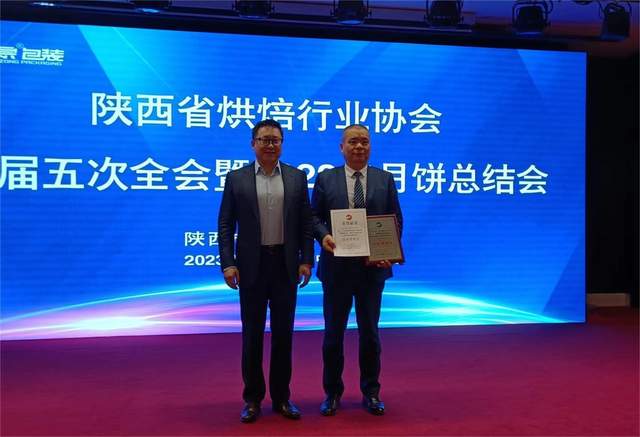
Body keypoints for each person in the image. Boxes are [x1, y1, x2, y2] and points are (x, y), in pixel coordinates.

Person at [218, 119, 314, 423]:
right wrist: (228, 262)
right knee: (253, 335)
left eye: (275, 140)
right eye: (264, 140)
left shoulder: (297, 178)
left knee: (284, 335)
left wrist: (306, 260)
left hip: (285, 265)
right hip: (251, 266)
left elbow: (306, 224)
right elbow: (225, 224)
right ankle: (252, 399)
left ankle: (282, 397)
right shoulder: (237, 178)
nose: (270, 145)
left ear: (282, 144)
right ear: (253, 144)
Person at [311, 124, 403, 416]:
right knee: (333, 335)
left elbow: (395, 219)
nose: (359, 147)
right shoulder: (326, 178)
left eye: (364, 141)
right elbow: (313, 217)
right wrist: (324, 236)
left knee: (370, 335)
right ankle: (332, 393)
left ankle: (371, 392)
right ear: (342, 147)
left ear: (370, 146)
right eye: (353, 142)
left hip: (371, 271)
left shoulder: (384, 179)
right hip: (336, 269)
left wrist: (388, 252)